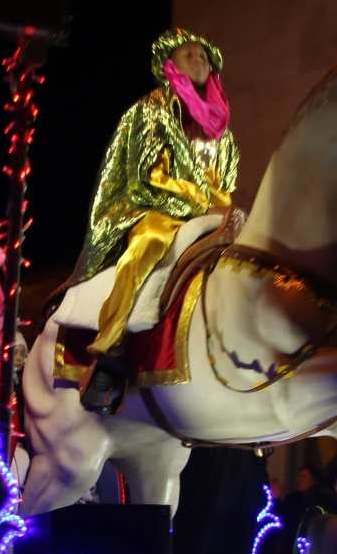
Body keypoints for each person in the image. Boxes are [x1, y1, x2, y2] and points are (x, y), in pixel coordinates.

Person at [66, 28, 241, 414]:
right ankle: (109, 345)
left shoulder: (221, 129)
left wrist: (220, 205)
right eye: (189, 55)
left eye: (204, 56)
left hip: (211, 215)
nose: (199, 60)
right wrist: (199, 199)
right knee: (146, 247)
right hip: (155, 208)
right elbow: (144, 175)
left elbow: (226, 182)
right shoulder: (150, 111)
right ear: (169, 66)